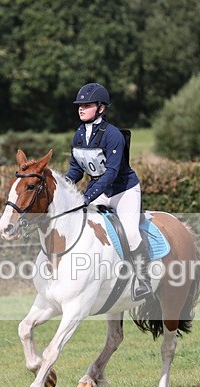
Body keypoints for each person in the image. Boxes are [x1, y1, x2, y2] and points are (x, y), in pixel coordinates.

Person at [65, 82, 152, 300]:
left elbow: (111, 173)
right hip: (99, 189)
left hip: (124, 190)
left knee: (131, 234)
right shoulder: (78, 135)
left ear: (101, 108)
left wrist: (86, 197)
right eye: (79, 105)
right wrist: (63, 187)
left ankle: (144, 281)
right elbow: (76, 170)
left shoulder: (113, 135)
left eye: (87, 105)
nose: (81, 108)